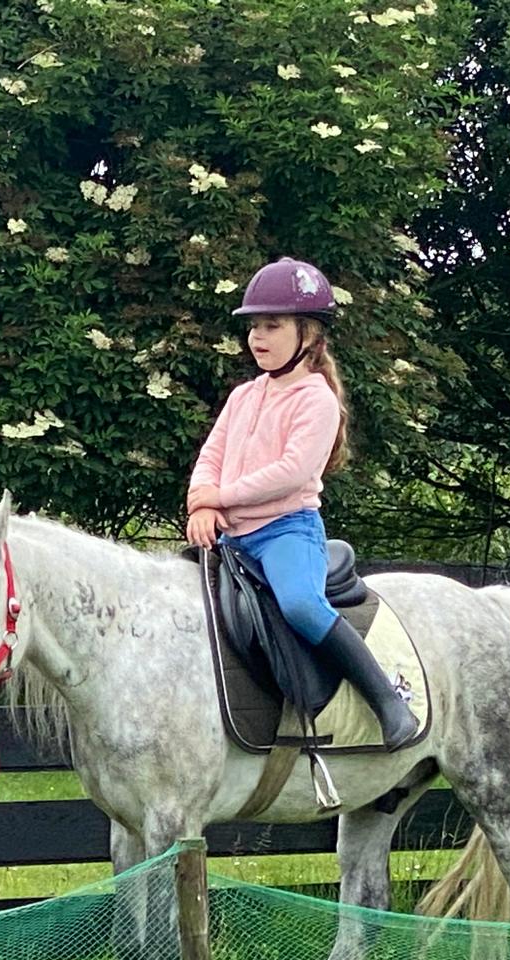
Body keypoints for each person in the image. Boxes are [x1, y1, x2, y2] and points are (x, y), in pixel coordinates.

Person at [185, 257, 418, 750]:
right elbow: (212, 455)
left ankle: (388, 702)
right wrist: (201, 507)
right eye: (253, 326)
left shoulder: (317, 400)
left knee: (300, 604)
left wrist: (220, 496)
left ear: (308, 334)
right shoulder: (244, 396)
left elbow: (291, 472)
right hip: (231, 538)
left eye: (272, 325)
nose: (258, 337)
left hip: (286, 531)